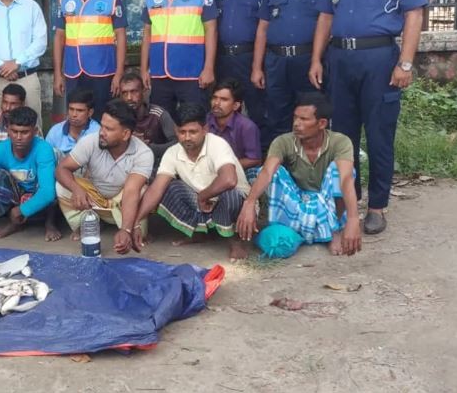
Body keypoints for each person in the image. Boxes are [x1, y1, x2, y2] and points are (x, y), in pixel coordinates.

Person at [308, 0, 428, 235]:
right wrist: (316, 59)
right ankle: (350, 203)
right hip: (340, 60)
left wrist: (405, 63)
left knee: (378, 136)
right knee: (342, 136)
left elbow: (414, 15)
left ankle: (377, 207)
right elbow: (325, 17)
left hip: (379, 61)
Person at [235, 93, 362, 256]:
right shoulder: (283, 141)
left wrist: (353, 219)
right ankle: (314, 231)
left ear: (322, 123)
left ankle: (334, 230)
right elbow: (267, 172)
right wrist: (250, 203)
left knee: (341, 171)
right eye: (295, 118)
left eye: (304, 119)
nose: (296, 124)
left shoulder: (340, 142)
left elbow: (346, 180)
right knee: (273, 172)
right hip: (297, 202)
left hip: (328, 204)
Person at [136, 103, 251, 260]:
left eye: (193, 132)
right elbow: (156, 189)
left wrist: (203, 196)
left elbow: (230, 180)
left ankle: (235, 242)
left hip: (234, 202)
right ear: (175, 130)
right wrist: (135, 222)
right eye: (182, 132)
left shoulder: (217, 144)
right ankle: (199, 233)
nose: (187, 137)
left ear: (205, 129)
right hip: (202, 203)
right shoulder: (172, 153)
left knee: (229, 193)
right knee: (170, 188)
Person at [253, 0, 327, 141]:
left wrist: (318, 60)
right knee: (276, 115)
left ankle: (309, 160)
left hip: (309, 60)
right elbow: (262, 28)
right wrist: (257, 67)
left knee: (310, 116)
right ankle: (280, 159)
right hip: (276, 61)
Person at [55, 100, 154, 255]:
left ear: (125, 134)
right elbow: (62, 169)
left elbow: (131, 191)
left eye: (109, 129)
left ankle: (127, 227)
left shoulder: (143, 153)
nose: (102, 132)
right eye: (102, 126)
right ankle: (88, 224)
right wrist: (76, 189)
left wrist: (126, 230)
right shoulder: (90, 141)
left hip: (123, 202)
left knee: (142, 191)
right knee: (62, 185)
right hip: (94, 199)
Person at [140, 0, 218, 119]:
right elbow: (147, 33)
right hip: (159, 73)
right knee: (159, 123)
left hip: (192, 72)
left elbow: (211, 30)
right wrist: (143, 69)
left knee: (194, 122)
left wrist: (208, 68)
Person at [53, 0, 127, 120]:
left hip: (103, 71)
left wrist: (119, 74)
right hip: (73, 71)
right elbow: (59, 37)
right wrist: (58, 74)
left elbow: (121, 35)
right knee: (76, 118)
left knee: (101, 117)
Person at [213, 0, 269, 147]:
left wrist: (257, 67)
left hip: (250, 58)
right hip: (223, 59)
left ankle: (259, 155)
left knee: (257, 109)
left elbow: (265, 28)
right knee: (222, 108)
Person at [0, 106, 60, 241]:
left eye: (24, 132)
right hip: (18, 193)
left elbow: (47, 192)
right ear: (7, 130)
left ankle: (50, 223)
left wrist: (22, 210)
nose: (18, 137)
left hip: (39, 191)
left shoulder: (44, 149)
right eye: (14, 131)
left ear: (35, 131)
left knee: (54, 181)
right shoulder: (0, 150)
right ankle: (14, 223)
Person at [118, 71, 177, 163]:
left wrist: (149, 147)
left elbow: (177, 143)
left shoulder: (158, 114)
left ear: (144, 91)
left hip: (156, 164)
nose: (129, 98)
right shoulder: (116, 117)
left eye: (134, 92)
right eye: (124, 93)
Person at [207, 79, 262, 173]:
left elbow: (254, 160)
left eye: (223, 99)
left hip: (237, 173)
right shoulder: (204, 121)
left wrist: (225, 167)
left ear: (236, 105)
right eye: (215, 98)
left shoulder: (247, 127)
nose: (216, 103)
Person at [44, 88, 100, 157]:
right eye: (71, 109)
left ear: (90, 113)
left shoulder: (97, 133)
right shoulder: (55, 131)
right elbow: (45, 156)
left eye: (80, 110)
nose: (74, 114)